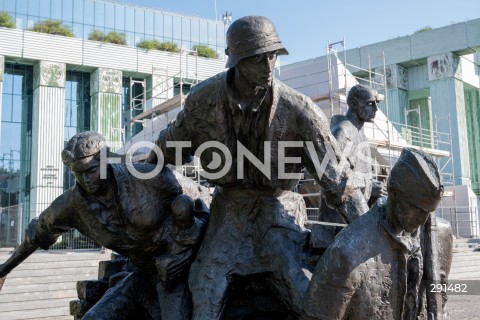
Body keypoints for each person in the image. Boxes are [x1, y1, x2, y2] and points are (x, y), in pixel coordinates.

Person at [147, 15, 369, 319]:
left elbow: (338, 182)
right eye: (258, 59)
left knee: (307, 294)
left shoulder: (299, 111)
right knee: (205, 289)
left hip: (279, 214)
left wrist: (373, 230)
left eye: (273, 57)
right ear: (236, 61)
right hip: (228, 216)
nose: (268, 67)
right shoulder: (203, 100)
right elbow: (171, 144)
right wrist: (139, 174)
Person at [0, 131, 209, 320]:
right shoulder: (70, 206)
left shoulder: (147, 176)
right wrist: (4, 269)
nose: (85, 180)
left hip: (178, 272)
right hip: (141, 276)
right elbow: (37, 234)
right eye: (77, 174)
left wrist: (183, 254)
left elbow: (204, 202)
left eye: (90, 170)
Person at [302, 148, 451, 320]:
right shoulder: (346, 254)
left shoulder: (440, 235)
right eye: (416, 209)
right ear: (393, 192)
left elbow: (443, 294)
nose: (423, 220)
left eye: (429, 211)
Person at [319, 84, 387, 223]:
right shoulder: (342, 132)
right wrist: (369, 186)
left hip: (354, 217)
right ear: (354, 104)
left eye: (377, 104)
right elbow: (331, 178)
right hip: (338, 222)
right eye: (370, 104)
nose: (376, 109)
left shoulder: (360, 134)